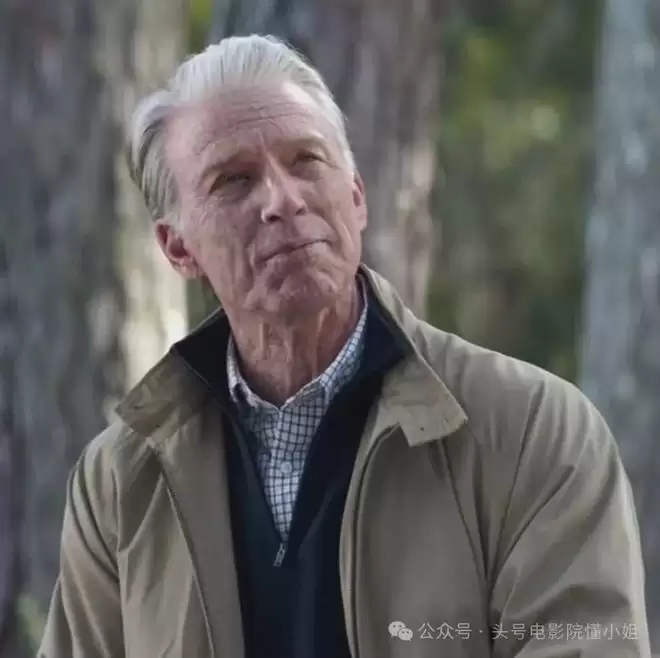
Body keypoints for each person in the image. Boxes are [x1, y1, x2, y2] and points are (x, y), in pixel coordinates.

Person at [39, 34, 650, 658]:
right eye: (234, 180)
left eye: (306, 160)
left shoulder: (532, 432)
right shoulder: (121, 481)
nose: (283, 200)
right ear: (177, 247)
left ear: (356, 195)